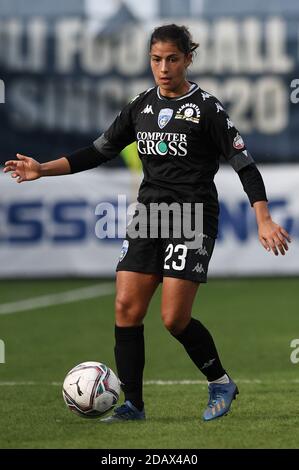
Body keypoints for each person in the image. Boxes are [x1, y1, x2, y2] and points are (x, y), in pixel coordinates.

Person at [3, 24, 291, 422]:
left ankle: (220, 381)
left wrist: (263, 218)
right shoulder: (140, 106)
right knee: (126, 306)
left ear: (188, 58)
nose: (164, 67)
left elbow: (243, 163)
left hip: (192, 217)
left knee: (174, 319)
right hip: (148, 216)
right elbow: (97, 151)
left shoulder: (207, 108)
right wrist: (42, 169)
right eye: (156, 59)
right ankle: (133, 405)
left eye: (172, 59)